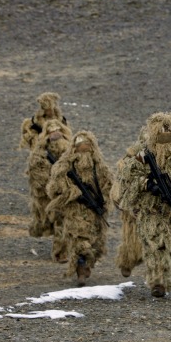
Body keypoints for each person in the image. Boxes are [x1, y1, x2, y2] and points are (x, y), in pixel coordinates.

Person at [116, 112, 171, 298]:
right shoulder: (143, 155)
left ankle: (169, 277)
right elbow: (128, 176)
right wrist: (146, 184)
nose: (165, 139)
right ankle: (157, 281)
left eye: (169, 133)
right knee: (155, 245)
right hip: (151, 210)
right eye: (161, 134)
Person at [46, 131, 113, 286]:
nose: (84, 152)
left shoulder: (99, 166)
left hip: (94, 211)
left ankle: (87, 263)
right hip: (74, 209)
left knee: (95, 243)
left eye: (87, 148)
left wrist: (103, 201)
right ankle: (80, 269)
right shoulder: (65, 165)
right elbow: (55, 186)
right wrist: (73, 193)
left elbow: (108, 184)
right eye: (80, 148)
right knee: (79, 240)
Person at [25, 118, 73, 263]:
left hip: (66, 192)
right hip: (49, 194)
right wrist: (50, 182)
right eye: (52, 132)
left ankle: (61, 252)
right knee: (53, 220)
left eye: (58, 131)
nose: (55, 135)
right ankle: (61, 252)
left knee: (63, 221)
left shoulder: (69, 150)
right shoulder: (40, 152)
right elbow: (35, 170)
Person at [110, 126, 146, 278]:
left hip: (154, 205)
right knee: (131, 238)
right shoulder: (131, 158)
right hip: (133, 204)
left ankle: (158, 277)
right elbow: (121, 179)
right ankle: (127, 261)